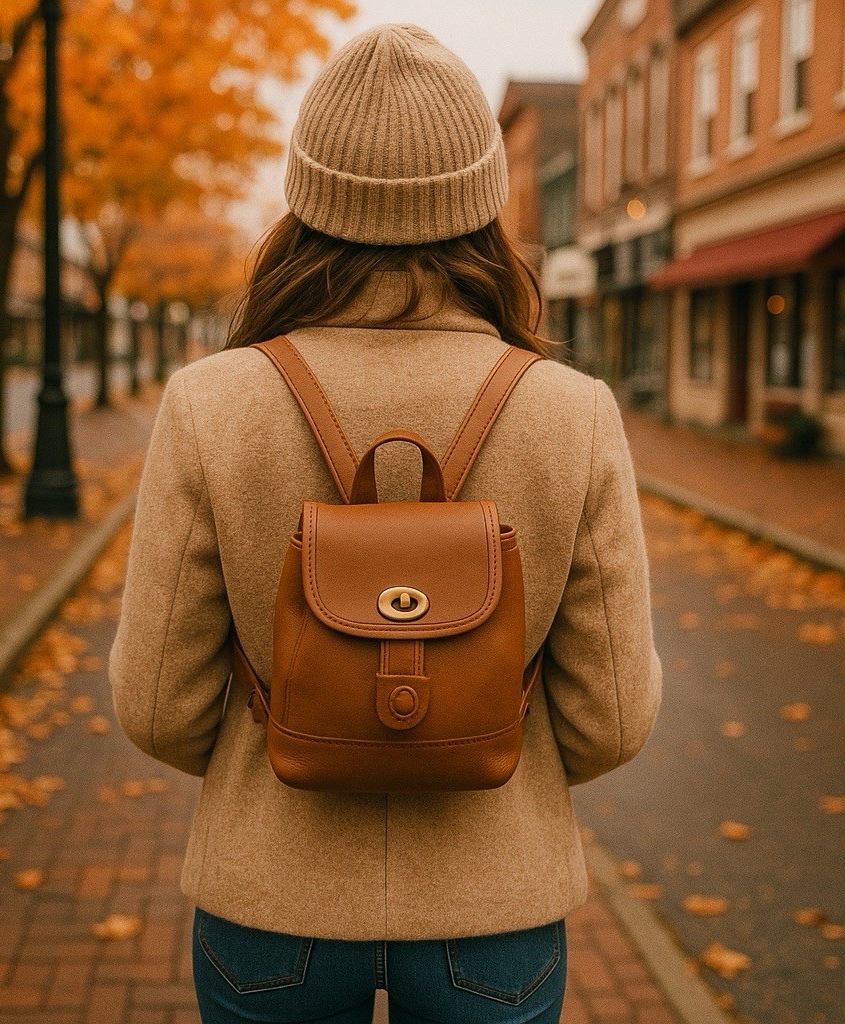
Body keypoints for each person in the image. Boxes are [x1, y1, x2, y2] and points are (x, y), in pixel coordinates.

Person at [109, 23, 662, 1024]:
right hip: (494, 906)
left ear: (304, 199)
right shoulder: (571, 410)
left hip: (268, 898)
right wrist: (473, 732)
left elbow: (156, 706)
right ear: (485, 204)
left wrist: (301, 729)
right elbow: (611, 718)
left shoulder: (209, 403)